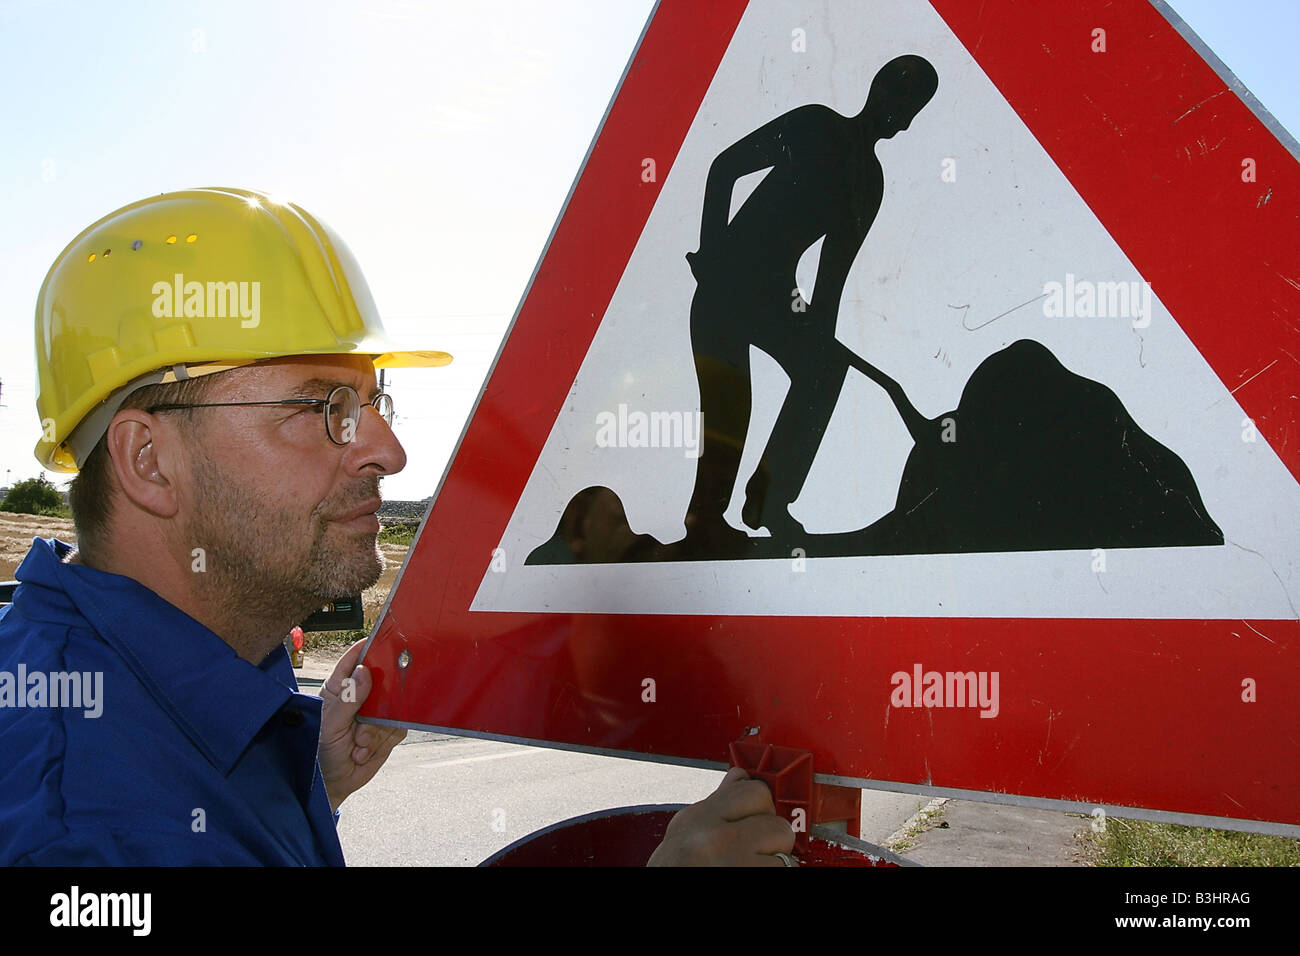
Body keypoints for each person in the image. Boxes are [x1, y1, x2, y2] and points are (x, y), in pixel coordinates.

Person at [0, 187, 794, 866]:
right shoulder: (90, 834)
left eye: (375, 403)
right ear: (149, 460)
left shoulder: (149, 708)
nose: (390, 450)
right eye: (324, 407)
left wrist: (305, 785)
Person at [685, 55, 939, 544]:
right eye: (904, 105)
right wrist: (713, 252)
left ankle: (769, 501)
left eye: (915, 113)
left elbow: (833, 273)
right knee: (730, 404)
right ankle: (706, 521)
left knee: (823, 371)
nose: (904, 124)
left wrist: (820, 335)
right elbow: (724, 169)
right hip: (726, 282)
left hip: (780, 294)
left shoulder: (870, 181)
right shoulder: (814, 124)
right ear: (881, 89)